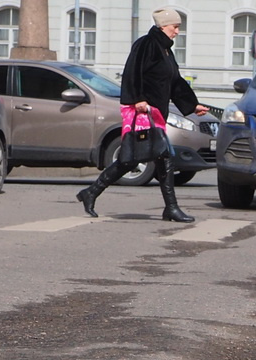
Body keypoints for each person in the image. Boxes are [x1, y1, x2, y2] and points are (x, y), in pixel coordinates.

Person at [77, 8, 210, 223]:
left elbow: (174, 81)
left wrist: (192, 105)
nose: (177, 31)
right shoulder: (146, 44)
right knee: (131, 159)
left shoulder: (166, 50)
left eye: (178, 27)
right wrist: (137, 98)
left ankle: (170, 208)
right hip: (142, 111)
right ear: (162, 25)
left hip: (156, 112)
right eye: (174, 27)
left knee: (160, 157)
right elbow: (132, 72)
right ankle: (92, 192)